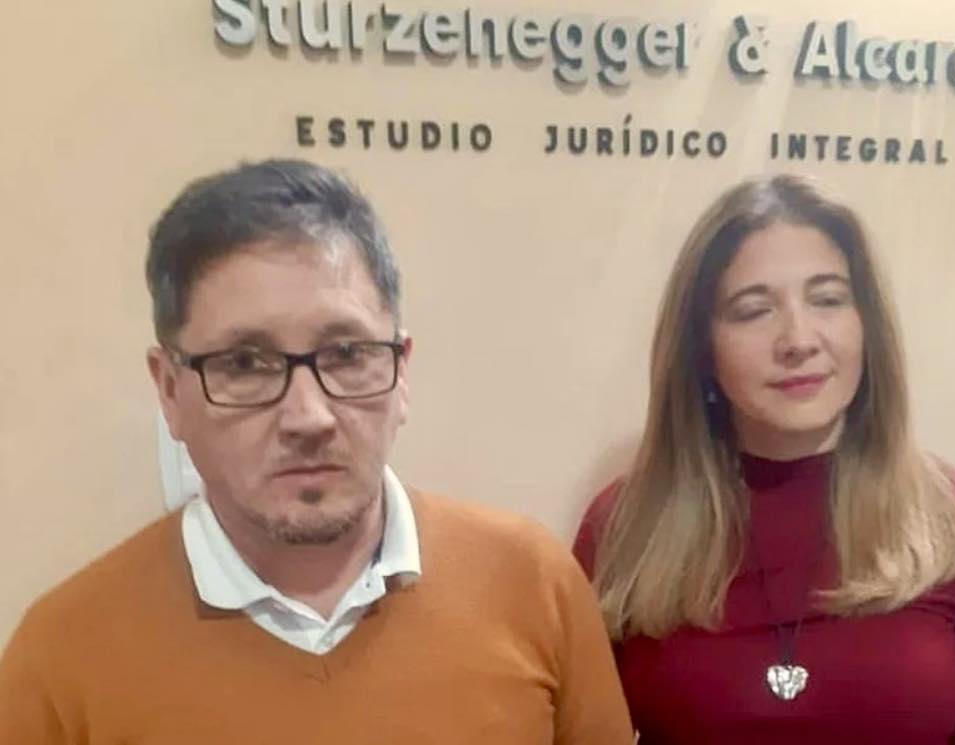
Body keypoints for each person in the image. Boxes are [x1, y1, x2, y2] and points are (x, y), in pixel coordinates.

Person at [0, 159, 633, 745]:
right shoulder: (61, 660)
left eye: (347, 354)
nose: (309, 417)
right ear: (170, 390)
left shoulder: (534, 584)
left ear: (401, 372)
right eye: (243, 363)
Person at [573, 174, 955, 744]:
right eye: (753, 310)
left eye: (827, 300)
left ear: (866, 326)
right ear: (701, 346)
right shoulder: (624, 528)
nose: (798, 339)